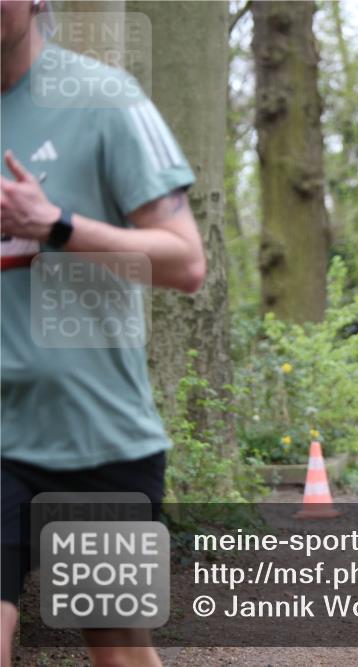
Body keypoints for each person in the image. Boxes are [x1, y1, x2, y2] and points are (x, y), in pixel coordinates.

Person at [1, 2, 206, 665]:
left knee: (116, 651)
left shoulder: (104, 99)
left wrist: (57, 224)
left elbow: (185, 263)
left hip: (94, 433)